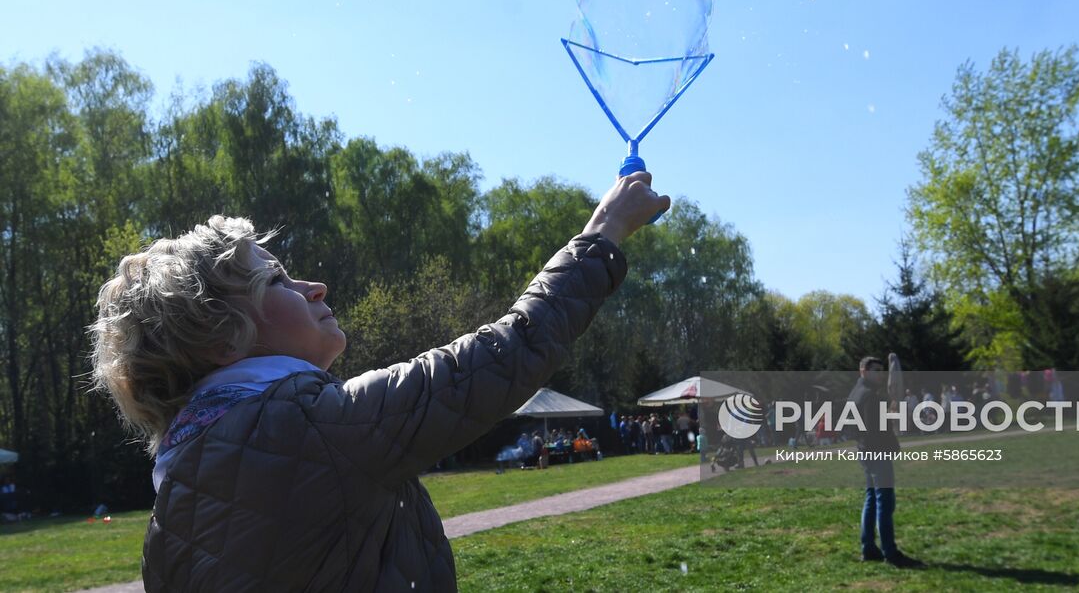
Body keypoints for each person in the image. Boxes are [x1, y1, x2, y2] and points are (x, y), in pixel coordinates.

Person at [89, 171, 667, 592]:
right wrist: (606, 228)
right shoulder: (304, 427)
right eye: (278, 280)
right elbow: (502, 356)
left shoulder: (183, 483)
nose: (314, 287)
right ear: (222, 338)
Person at [848, 355, 922, 569]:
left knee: (871, 499)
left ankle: (868, 547)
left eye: (881, 370)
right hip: (876, 453)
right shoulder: (870, 395)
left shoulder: (855, 393)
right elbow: (877, 429)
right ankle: (890, 552)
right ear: (863, 371)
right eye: (875, 370)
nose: (880, 374)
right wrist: (890, 415)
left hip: (865, 452)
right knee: (884, 502)